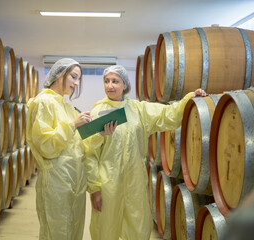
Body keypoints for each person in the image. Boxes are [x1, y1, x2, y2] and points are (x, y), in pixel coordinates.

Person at [84, 65, 207, 240]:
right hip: (108, 183)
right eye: (107, 81)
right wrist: (95, 189)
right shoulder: (98, 112)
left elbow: (168, 115)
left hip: (135, 182)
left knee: (138, 225)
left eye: (115, 81)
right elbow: (89, 153)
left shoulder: (139, 109)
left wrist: (189, 98)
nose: (110, 85)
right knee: (106, 228)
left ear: (124, 85)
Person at [26, 58, 116, 240]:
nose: (76, 83)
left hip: (76, 180)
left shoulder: (67, 106)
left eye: (78, 79)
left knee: (74, 231)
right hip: (56, 181)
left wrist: (100, 134)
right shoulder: (43, 102)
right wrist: (72, 124)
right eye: (73, 77)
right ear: (60, 74)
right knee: (57, 232)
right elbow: (45, 145)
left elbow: (80, 146)